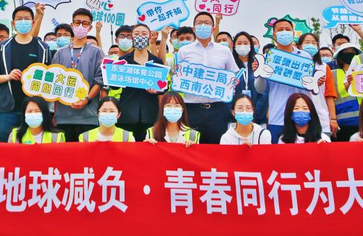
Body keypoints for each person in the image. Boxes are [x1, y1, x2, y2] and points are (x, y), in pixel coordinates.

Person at [0, 6, 53, 142]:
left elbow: (50, 76)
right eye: (19, 19)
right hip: (8, 109)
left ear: (33, 22)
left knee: (34, 149)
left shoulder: (43, 47)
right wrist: (8, 76)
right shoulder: (3, 47)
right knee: (6, 149)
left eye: (27, 19)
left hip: (35, 110)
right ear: (13, 23)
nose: (23, 22)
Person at [176, 12, 239, 144]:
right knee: (191, 147)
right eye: (199, 23)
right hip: (192, 108)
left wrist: (233, 83)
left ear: (213, 28)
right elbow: (179, 77)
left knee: (216, 148)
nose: (203, 26)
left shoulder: (224, 51)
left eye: (207, 23)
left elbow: (234, 74)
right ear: (194, 28)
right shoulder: (184, 51)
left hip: (218, 109)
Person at [253, 17, 313, 143]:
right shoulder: (267, 58)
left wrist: (316, 82)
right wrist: (260, 73)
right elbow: (260, 89)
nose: (284, 32)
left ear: (293, 33)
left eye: (288, 29)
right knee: (279, 158)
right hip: (278, 117)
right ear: (274, 34)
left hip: (302, 116)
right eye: (280, 30)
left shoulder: (305, 56)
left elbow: (310, 85)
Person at [54, 8, 105, 142]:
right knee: (66, 158)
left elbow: (99, 81)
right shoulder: (60, 53)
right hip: (63, 116)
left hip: (88, 115)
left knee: (88, 159)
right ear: (72, 25)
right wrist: (54, 113)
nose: (80, 26)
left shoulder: (97, 52)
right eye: (77, 23)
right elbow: (53, 82)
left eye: (85, 23)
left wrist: (86, 99)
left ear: (90, 28)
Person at [115, 23, 167, 141]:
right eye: (136, 34)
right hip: (127, 111)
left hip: (150, 112)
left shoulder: (156, 61)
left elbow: (164, 86)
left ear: (149, 37)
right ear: (132, 38)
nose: (140, 36)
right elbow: (114, 86)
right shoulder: (123, 60)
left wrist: (157, 90)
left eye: (144, 34)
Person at [298, 32, 338, 137]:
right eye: (307, 42)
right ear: (299, 46)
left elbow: (329, 95)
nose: (311, 45)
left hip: (321, 118)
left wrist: (333, 118)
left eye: (314, 43)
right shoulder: (293, 65)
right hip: (298, 117)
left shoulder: (324, 67)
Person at [232, 31, 268, 126]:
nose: (242, 46)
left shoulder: (258, 65)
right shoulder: (230, 66)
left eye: (245, 43)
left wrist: (255, 115)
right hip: (235, 118)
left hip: (258, 119)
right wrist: (234, 113)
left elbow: (263, 92)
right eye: (239, 43)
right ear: (234, 46)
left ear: (250, 46)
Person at [331, 42, 363, 142]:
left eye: (353, 53)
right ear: (340, 57)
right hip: (343, 123)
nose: (350, 55)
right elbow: (330, 98)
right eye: (346, 53)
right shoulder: (333, 74)